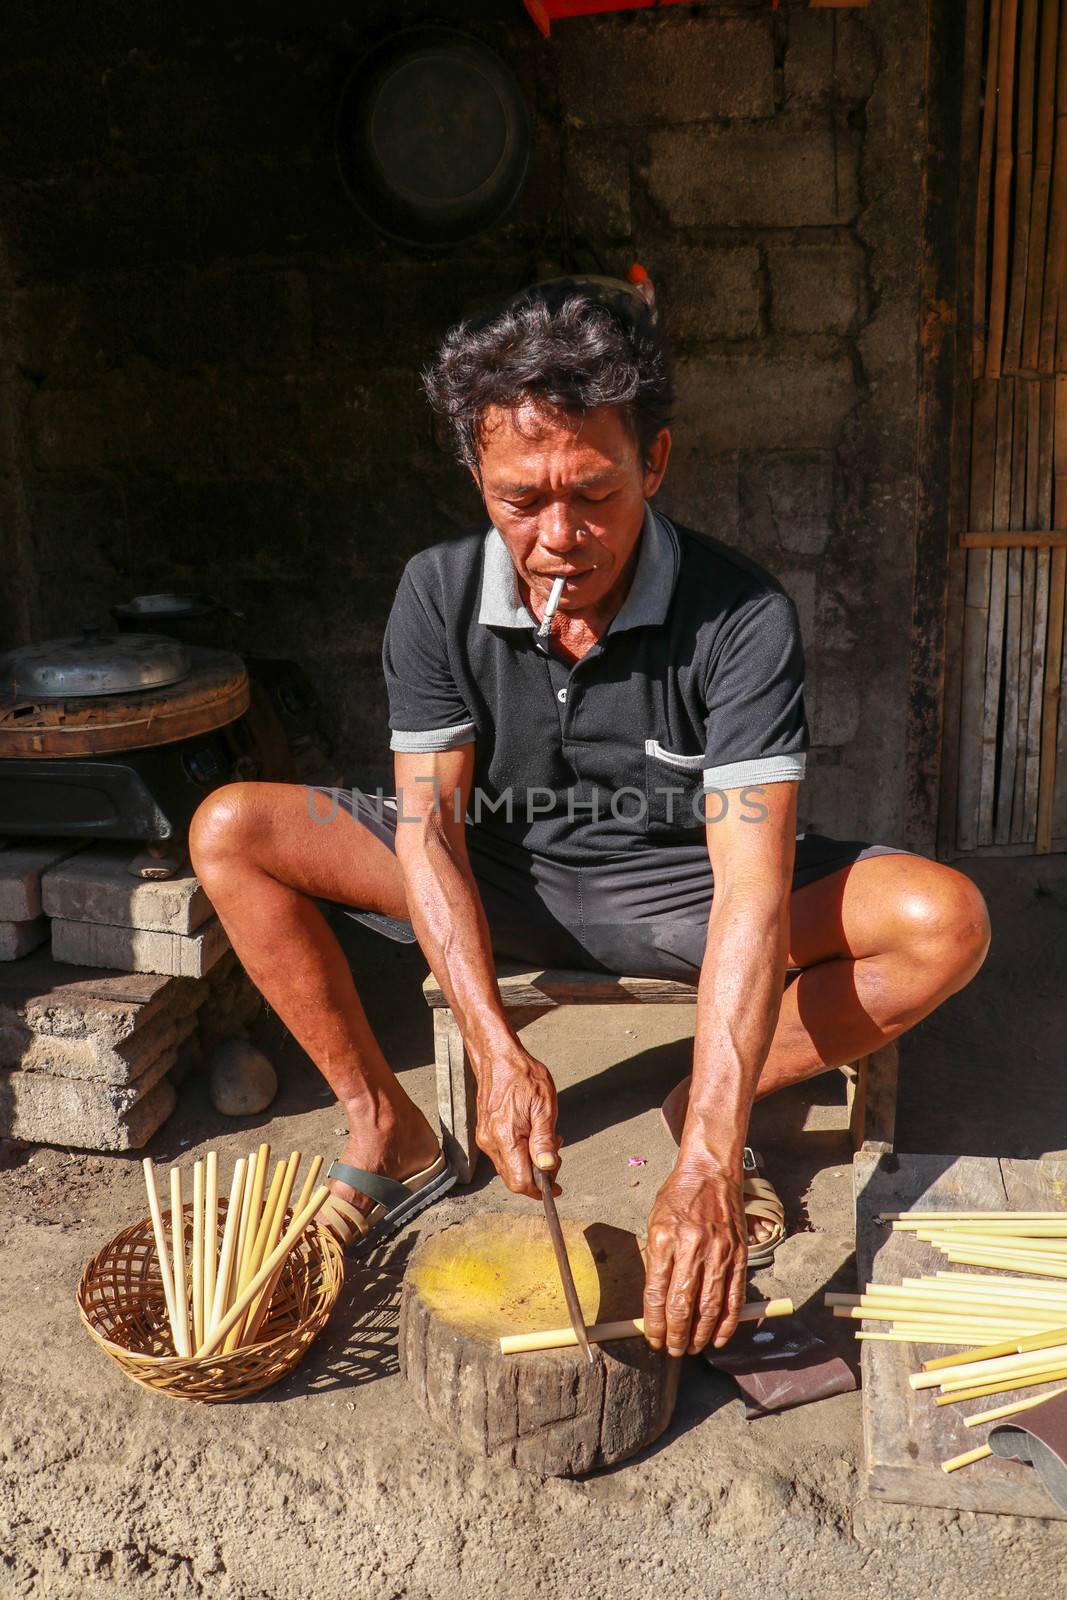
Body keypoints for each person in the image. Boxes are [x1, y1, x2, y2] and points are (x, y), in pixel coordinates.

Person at [189, 274, 991, 1359]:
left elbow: (751, 888)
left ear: (651, 463)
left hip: (688, 897)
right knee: (233, 827)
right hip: (502, 877)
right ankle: (388, 1125)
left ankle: (698, 1103)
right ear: (476, 474)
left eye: (594, 492)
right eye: (521, 498)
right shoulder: (436, 591)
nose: (559, 534)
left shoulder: (738, 612)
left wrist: (709, 1154)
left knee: (941, 919)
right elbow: (426, 832)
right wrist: (493, 1043)